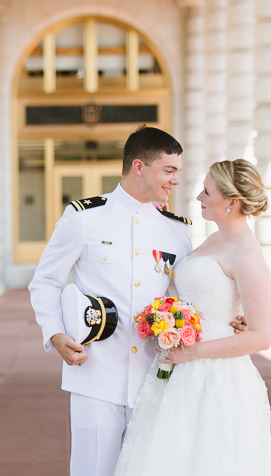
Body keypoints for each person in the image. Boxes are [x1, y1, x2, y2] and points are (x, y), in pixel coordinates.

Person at [29, 126, 201, 476]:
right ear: (139, 167)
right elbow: (45, 280)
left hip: (155, 375)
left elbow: (187, 295)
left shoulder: (176, 229)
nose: (176, 181)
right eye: (169, 171)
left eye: (178, 172)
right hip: (95, 372)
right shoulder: (84, 217)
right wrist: (55, 334)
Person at [113, 159, 271, 476]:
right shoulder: (213, 239)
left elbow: (262, 336)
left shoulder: (246, 252)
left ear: (232, 202)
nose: (199, 198)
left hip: (216, 374)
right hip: (179, 366)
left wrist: (191, 352)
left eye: (206, 192)